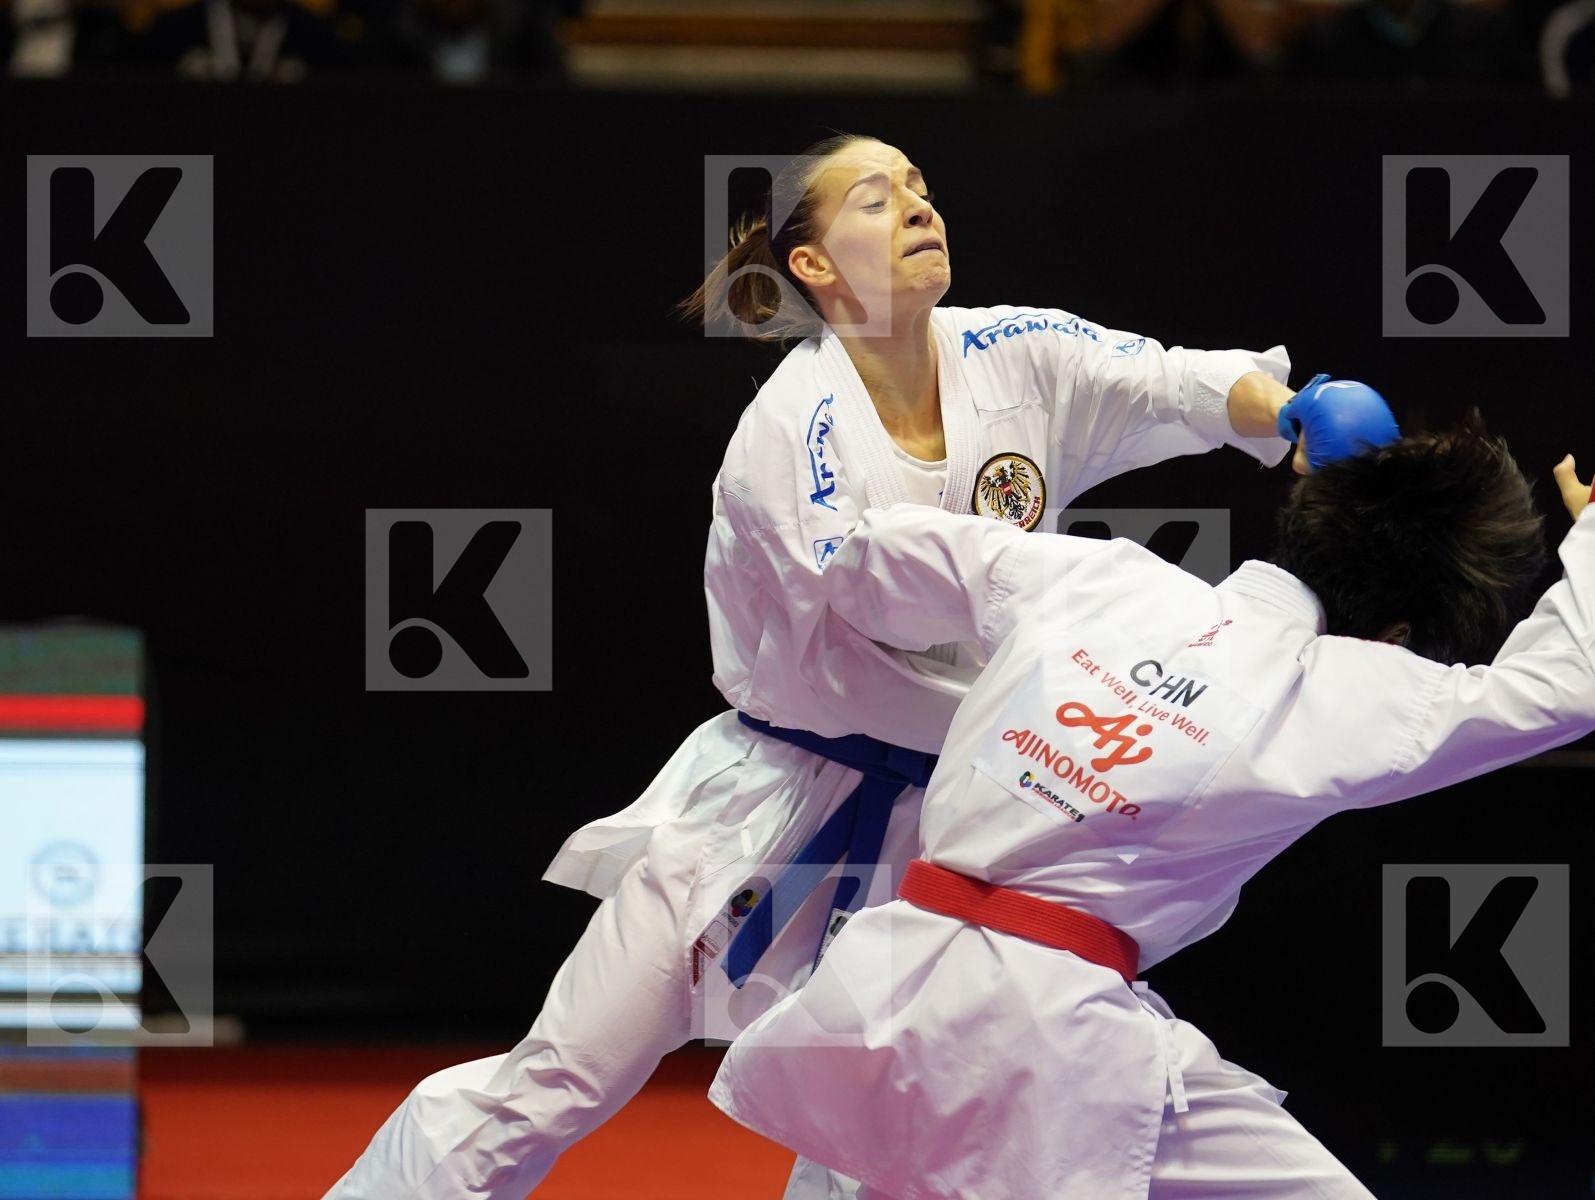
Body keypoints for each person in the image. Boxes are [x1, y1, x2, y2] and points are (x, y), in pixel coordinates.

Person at [324, 131, 1346, 1200]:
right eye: (873, 197)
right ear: (810, 264)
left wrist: (1284, 412)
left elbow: (1161, 380)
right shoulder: (791, 425)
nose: (914, 205)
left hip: (942, 835)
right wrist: (1084, 593)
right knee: (561, 1075)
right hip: (763, 806)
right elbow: (873, 583)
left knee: (872, 1152)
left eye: (919, 186)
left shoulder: (1015, 351)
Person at [708, 418, 1594, 1199]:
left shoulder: (1103, 578)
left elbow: (871, 549)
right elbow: (1562, 688)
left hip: (883, 987)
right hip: (1045, 1041)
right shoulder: (1339, 688)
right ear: (1398, 635)